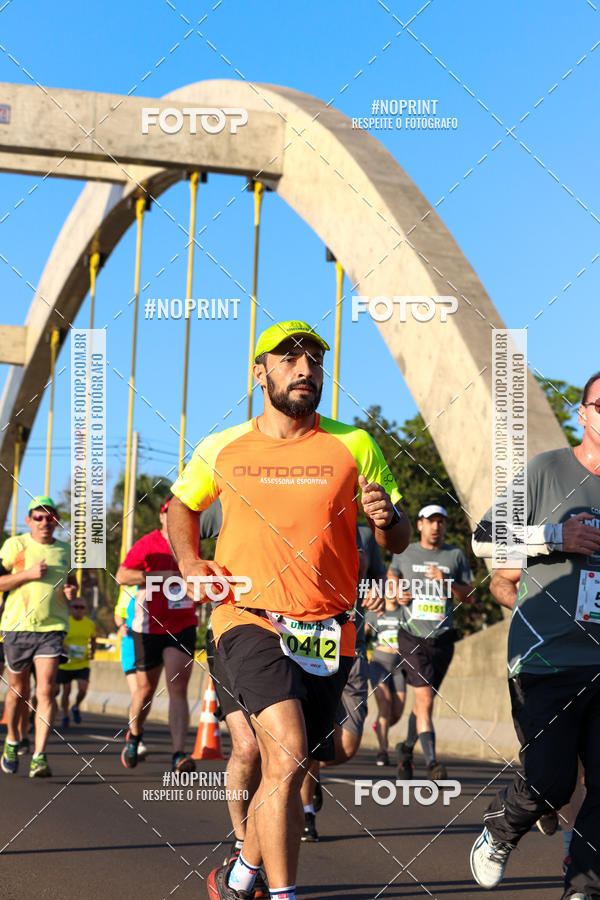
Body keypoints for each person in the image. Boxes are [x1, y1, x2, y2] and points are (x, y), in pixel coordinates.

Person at [167, 320, 409, 900]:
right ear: (261, 373)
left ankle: (241, 872)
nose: (305, 370)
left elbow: (397, 536)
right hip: (245, 616)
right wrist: (191, 564)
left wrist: (387, 519)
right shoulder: (224, 445)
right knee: (288, 751)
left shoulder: (354, 444)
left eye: (314, 362)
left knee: (294, 767)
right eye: (290, 360)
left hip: (327, 628)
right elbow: (180, 507)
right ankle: (282, 894)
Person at [469, 371, 600, 900]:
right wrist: (553, 536)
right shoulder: (550, 469)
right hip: (544, 658)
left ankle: (582, 888)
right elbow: (483, 538)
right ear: (584, 413)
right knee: (550, 782)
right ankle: (502, 829)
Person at [387, 503, 474, 780]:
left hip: (443, 639)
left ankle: (405, 748)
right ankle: (433, 764)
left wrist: (448, 581)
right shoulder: (405, 552)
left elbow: (471, 597)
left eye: (441, 521)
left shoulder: (455, 556)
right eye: (431, 521)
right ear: (420, 525)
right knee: (424, 699)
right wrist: (396, 592)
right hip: (411, 635)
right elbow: (391, 581)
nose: (436, 526)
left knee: (424, 701)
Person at [116, 497, 198, 773]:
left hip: (184, 623)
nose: (175, 517)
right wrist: (156, 575)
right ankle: (135, 734)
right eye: (169, 512)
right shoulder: (148, 543)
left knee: (178, 689)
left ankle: (179, 754)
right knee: (145, 690)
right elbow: (122, 576)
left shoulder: (192, 543)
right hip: (149, 625)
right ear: (162, 517)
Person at [0, 496, 76, 777]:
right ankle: (11, 739)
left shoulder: (65, 551)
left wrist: (71, 593)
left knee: (46, 689)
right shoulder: (15, 546)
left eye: (51, 517)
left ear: (56, 522)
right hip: (17, 626)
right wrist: (29, 574)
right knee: (18, 690)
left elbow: (72, 584)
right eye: (39, 517)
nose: (45, 522)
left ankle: (39, 756)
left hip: (52, 628)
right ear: (29, 520)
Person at [365, 591, 406, 767]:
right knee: (385, 703)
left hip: (399, 667)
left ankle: (380, 727)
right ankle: (383, 750)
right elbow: (360, 632)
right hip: (378, 663)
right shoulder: (374, 612)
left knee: (396, 712)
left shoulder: (405, 611)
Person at [114, 585, 148, 760]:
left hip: (148, 644)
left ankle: (135, 733)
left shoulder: (158, 584)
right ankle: (137, 737)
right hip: (130, 645)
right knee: (137, 692)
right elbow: (118, 614)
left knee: (146, 695)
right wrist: (121, 626)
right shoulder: (128, 588)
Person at [57, 597, 96, 728]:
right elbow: (58, 638)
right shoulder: (65, 622)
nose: (79, 610)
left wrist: (93, 652)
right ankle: (66, 715)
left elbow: (93, 638)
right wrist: (63, 647)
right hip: (66, 664)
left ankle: (76, 706)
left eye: (82, 607)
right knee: (66, 691)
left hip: (82, 663)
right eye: (76, 607)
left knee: (83, 689)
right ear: (70, 608)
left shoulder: (89, 623)